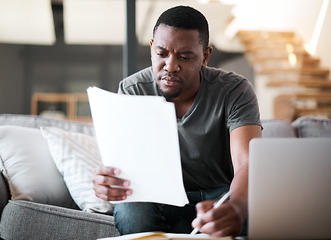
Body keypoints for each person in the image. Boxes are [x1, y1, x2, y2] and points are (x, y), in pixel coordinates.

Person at [92, 5, 262, 238]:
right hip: (165, 199)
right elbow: (128, 166)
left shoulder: (234, 90)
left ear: (205, 56)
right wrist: (108, 182)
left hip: (223, 195)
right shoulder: (132, 90)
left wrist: (237, 207)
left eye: (185, 56)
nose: (170, 66)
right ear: (152, 48)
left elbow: (247, 162)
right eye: (162, 54)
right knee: (130, 209)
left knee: (262, 207)